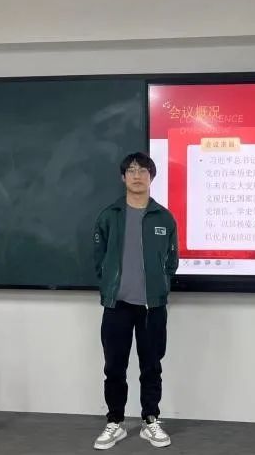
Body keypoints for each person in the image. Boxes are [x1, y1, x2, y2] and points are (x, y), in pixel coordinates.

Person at [92, 152, 178, 450]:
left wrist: (159, 285)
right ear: (123, 177)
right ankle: (115, 422)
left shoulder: (163, 217)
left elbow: (172, 261)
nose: (137, 175)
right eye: (131, 170)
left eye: (143, 171)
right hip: (117, 306)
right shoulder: (109, 216)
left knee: (151, 366)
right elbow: (99, 259)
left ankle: (150, 420)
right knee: (114, 367)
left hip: (152, 307)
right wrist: (110, 284)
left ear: (151, 177)